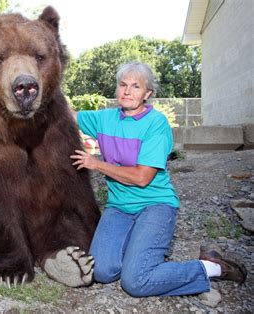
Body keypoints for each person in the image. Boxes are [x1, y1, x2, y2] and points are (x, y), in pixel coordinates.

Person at [70, 62, 247, 297]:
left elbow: (143, 178)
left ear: (147, 94)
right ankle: (140, 253)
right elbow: (65, 116)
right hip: (119, 207)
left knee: (135, 282)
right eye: (122, 85)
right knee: (101, 271)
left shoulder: (156, 124)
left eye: (135, 86)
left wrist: (97, 164)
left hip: (154, 205)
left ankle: (212, 267)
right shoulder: (104, 119)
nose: (127, 91)